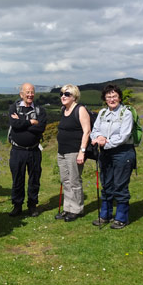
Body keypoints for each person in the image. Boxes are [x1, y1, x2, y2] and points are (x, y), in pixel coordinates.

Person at [90, 84, 136, 229]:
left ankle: (121, 218)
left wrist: (105, 142)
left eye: (114, 96)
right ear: (105, 99)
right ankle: (105, 215)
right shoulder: (102, 113)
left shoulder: (126, 113)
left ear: (119, 97)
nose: (111, 99)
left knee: (120, 185)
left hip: (123, 153)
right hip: (106, 154)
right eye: (108, 96)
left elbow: (124, 136)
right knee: (107, 184)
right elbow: (94, 130)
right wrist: (98, 137)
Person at [8, 83, 47, 217]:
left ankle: (32, 205)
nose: (30, 95)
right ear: (21, 94)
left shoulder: (40, 110)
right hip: (17, 150)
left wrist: (22, 122)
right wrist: (31, 122)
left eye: (32, 92)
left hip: (34, 150)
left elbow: (40, 128)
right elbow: (14, 124)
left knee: (34, 179)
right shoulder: (14, 107)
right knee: (17, 179)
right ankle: (17, 205)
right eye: (27, 92)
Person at [55, 84, 91, 222]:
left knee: (75, 181)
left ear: (74, 96)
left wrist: (82, 152)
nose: (63, 96)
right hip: (62, 151)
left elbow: (86, 131)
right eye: (62, 94)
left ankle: (77, 209)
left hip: (74, 151)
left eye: (67, 94)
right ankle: (68, 208)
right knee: (65, 180)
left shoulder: (80, 110)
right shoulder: (63, 110)